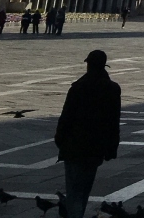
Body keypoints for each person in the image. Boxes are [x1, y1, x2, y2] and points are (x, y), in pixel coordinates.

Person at [54, 49, 121, 218]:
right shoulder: (112, 89)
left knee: (74, 191)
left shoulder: (78, 87)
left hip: (74, 146)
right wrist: (111, 148)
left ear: (89, 65)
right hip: (96, 148)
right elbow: (114, 122)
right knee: (84, 190)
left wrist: (60, 140)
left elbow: (66, 117)